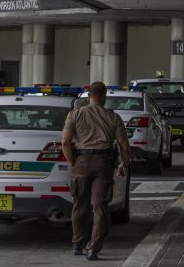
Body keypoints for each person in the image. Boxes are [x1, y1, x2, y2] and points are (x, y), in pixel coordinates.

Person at [61, 81, 130, 260]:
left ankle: (77, 243)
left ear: (88, 95)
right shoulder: (114, 117)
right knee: (100, 207)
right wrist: (125, 163)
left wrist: (72, 162)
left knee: (79, 204)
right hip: (103, 163)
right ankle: (93, 248)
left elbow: (65, 143)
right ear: (104, 96)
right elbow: (123, 143)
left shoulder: (74, 115)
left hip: (81, 162)